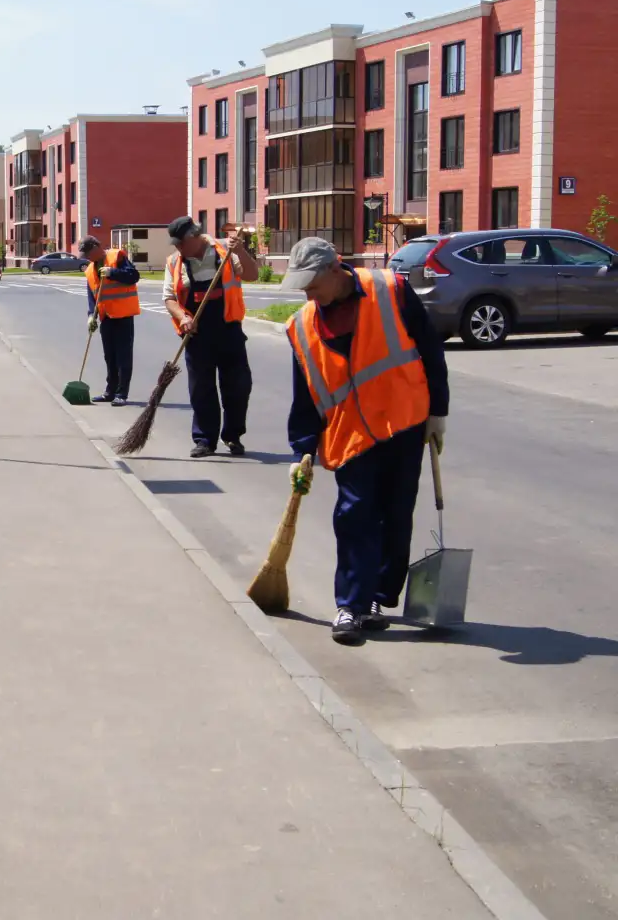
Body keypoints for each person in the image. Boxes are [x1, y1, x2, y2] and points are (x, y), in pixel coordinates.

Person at [281, 237, 449, 645]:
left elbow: (430, 349)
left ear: (335, 270)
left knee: (396, 512)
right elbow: (305, 392)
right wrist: (302, 448)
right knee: (354, 515)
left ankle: (377, 597)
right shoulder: (302, 325)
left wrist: (437, 412)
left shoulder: (390, 290)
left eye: (312, 285)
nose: (308, 294)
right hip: (351, 433)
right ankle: (351, 606)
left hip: (403, 421)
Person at [163, 216, 258, 457]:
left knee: (238, 385)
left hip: (228, 330)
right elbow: (169, 298)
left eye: (181, 242)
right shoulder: (175, 262)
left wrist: (242, 251)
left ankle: (233, 436)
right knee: (201, 389)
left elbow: (252, 274)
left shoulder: (225, 250)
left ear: (195, 236)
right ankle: (205, 440)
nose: (178, 247)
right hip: (196, 333)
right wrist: (183, 318)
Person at [81, 236, 140, 407]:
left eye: (87, 253)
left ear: (96, 247)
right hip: (106, 317)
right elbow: (92, 296)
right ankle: (110, 391)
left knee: (123, 356)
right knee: (110, 357)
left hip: (123, 315)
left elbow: (133, 276)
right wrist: (91, 315)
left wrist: (112, 273)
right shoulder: (90, 270)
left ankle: (122, 393)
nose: (86, 258)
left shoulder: (117, 257)